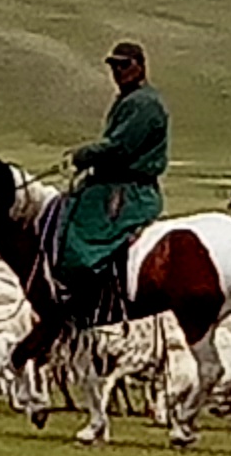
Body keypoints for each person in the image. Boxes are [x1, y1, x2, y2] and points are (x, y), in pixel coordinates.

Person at [54, 38, 169, 296]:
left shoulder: (143, 104)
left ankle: (84, 292)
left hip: (128, 192)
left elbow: (119, 148)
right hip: (115, 184)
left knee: (78, 232)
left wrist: (82, 155)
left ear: (140, 66)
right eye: (114, 67)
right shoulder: (130, 100)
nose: (118, 72)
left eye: (124, 65)